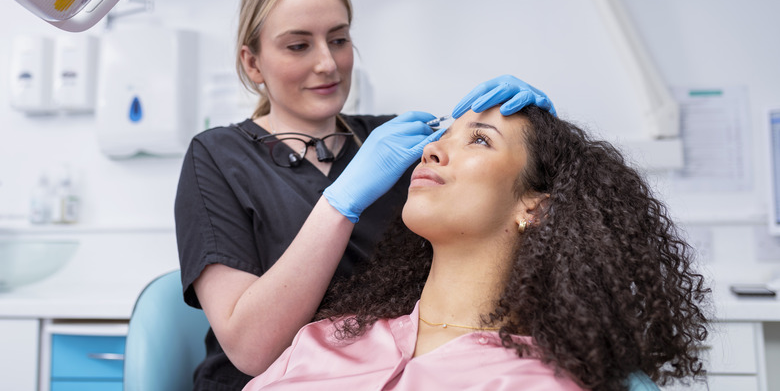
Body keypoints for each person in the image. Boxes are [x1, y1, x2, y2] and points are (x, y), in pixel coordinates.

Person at [173, 0, 552, 389]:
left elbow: (506, 212)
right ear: (253, 63)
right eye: (298, 46)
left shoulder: (397, 143)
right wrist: (342, 199)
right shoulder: (218, 157)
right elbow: (251, 350)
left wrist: (537, 139)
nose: (328, 64)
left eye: (338, 40)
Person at [242, 105, 711, 391]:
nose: (431, 152)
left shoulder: (544, 380)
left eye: (480, 140)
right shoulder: (325, 338)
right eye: (440, 137)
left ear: (537, 208)